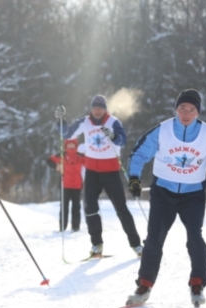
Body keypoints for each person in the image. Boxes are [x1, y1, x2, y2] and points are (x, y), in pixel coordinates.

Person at [124, 89, 206, 307]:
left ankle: (197, 284)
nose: (186, 113)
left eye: (192, 110)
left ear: (197, 112)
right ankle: (144, 285)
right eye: (182, 108)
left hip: (193, 195)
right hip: (163, 193)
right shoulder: (162, 130)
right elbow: (139, 153)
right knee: (154, 240)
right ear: (176, 108)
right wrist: (133, 177)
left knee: (194, 238)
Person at [55, 95, 142, 258]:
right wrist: (61, 120)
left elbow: (123, 140)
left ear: (105, 109)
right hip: (92, 173)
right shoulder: (85, 121)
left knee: (121, 209)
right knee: (90, 209)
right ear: (91, 108)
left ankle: (137, 245)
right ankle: (96, 245)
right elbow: (66, 134)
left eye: (100, 107)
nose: (97, 110)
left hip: (111, 172)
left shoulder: (113, 122)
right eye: (95, 107)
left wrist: (113, 136)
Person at [47, 138, 84, 232]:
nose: (71, 146)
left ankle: (75, 227)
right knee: (64, 207)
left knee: (76, 207)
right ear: (65, 145)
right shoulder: (61, 155)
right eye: (69, 144)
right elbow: (49, 160)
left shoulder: (80, 156)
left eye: (73, 144)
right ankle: (62, 228)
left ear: (76, 146)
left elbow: (90, 163)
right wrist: (56, 166)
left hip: (77, 185)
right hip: (65, 185)